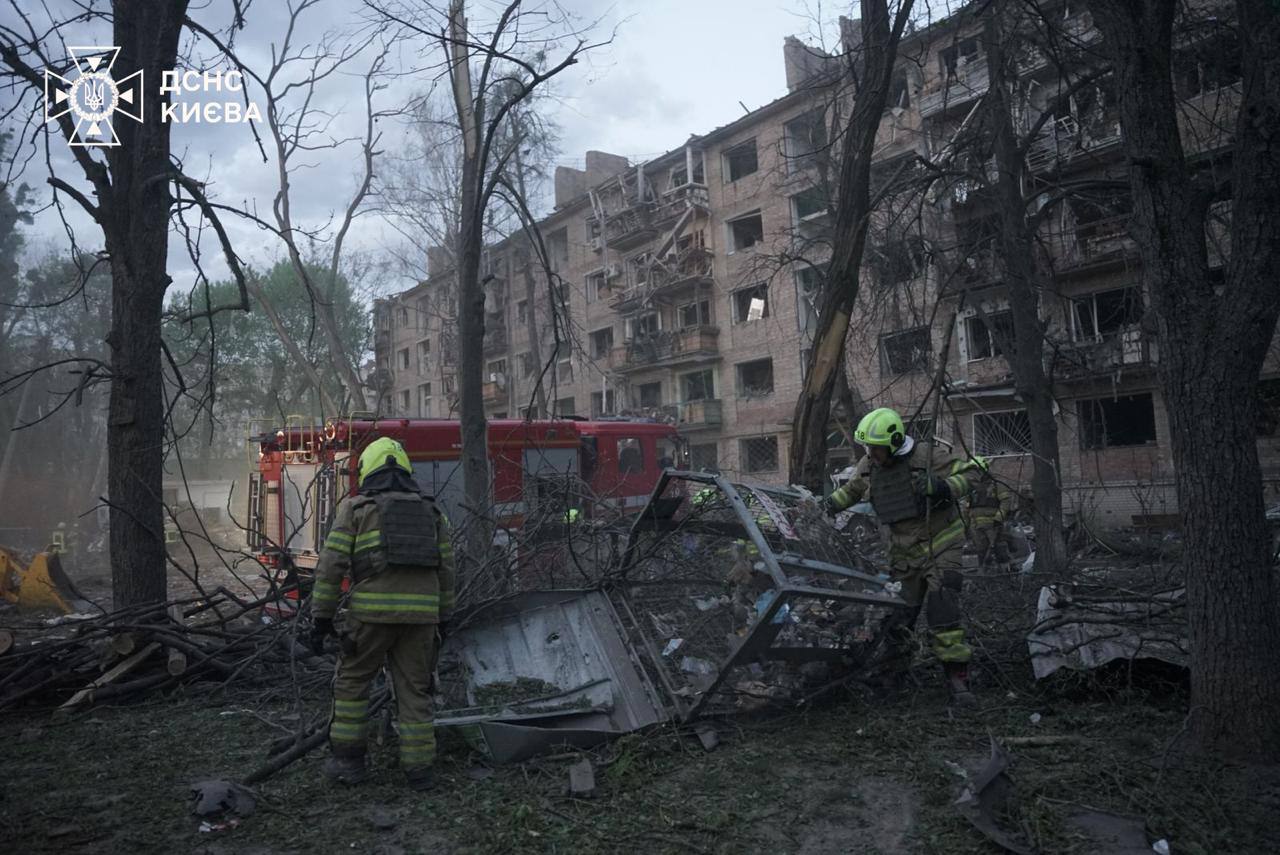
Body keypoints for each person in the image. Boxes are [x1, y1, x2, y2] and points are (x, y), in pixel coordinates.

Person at [310, 436, 455, 790]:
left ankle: (348, 764)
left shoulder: (357, 510)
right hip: (421, 621)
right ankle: (420, 772)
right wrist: (445, 618)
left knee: (352, 684)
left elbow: (331, 565)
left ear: (368, 471)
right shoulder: (433, 513)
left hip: (370, 618)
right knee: (415, 691)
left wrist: (321, 618)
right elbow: (447, 572)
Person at [825, 407, 982, 706]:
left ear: (894, 442)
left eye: (876, 448)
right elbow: (852, 490)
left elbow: (975, 472)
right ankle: (893, 676)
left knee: (943, 608)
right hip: (902, 553)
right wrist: (827, 506)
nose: (871, 454)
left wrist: (944, 487)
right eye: (868, 447)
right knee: (898, 618)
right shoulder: (869, 465)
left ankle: (957, 678)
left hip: (940, 544)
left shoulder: (928, 457)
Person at [966, 456, 1014, 571]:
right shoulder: (971, 486)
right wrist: (966, 524)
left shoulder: (996, 484)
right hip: (975, 526)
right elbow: (966, 506)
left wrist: (999, 518)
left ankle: (1007, 573)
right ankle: (987, 574)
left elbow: (1006, 501)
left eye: (977, 470)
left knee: (999, 549)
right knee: (981, 551)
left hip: (993, 525)